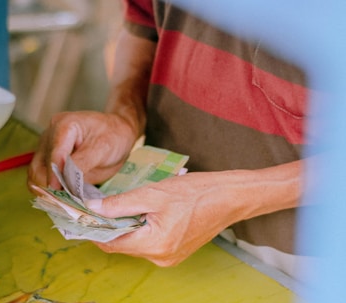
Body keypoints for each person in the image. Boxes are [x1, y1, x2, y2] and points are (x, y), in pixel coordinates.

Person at [27, 0, 314, 280]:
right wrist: (125, 115)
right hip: (163, 231)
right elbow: (145, 21)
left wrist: (236, 197)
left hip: (303, 271)